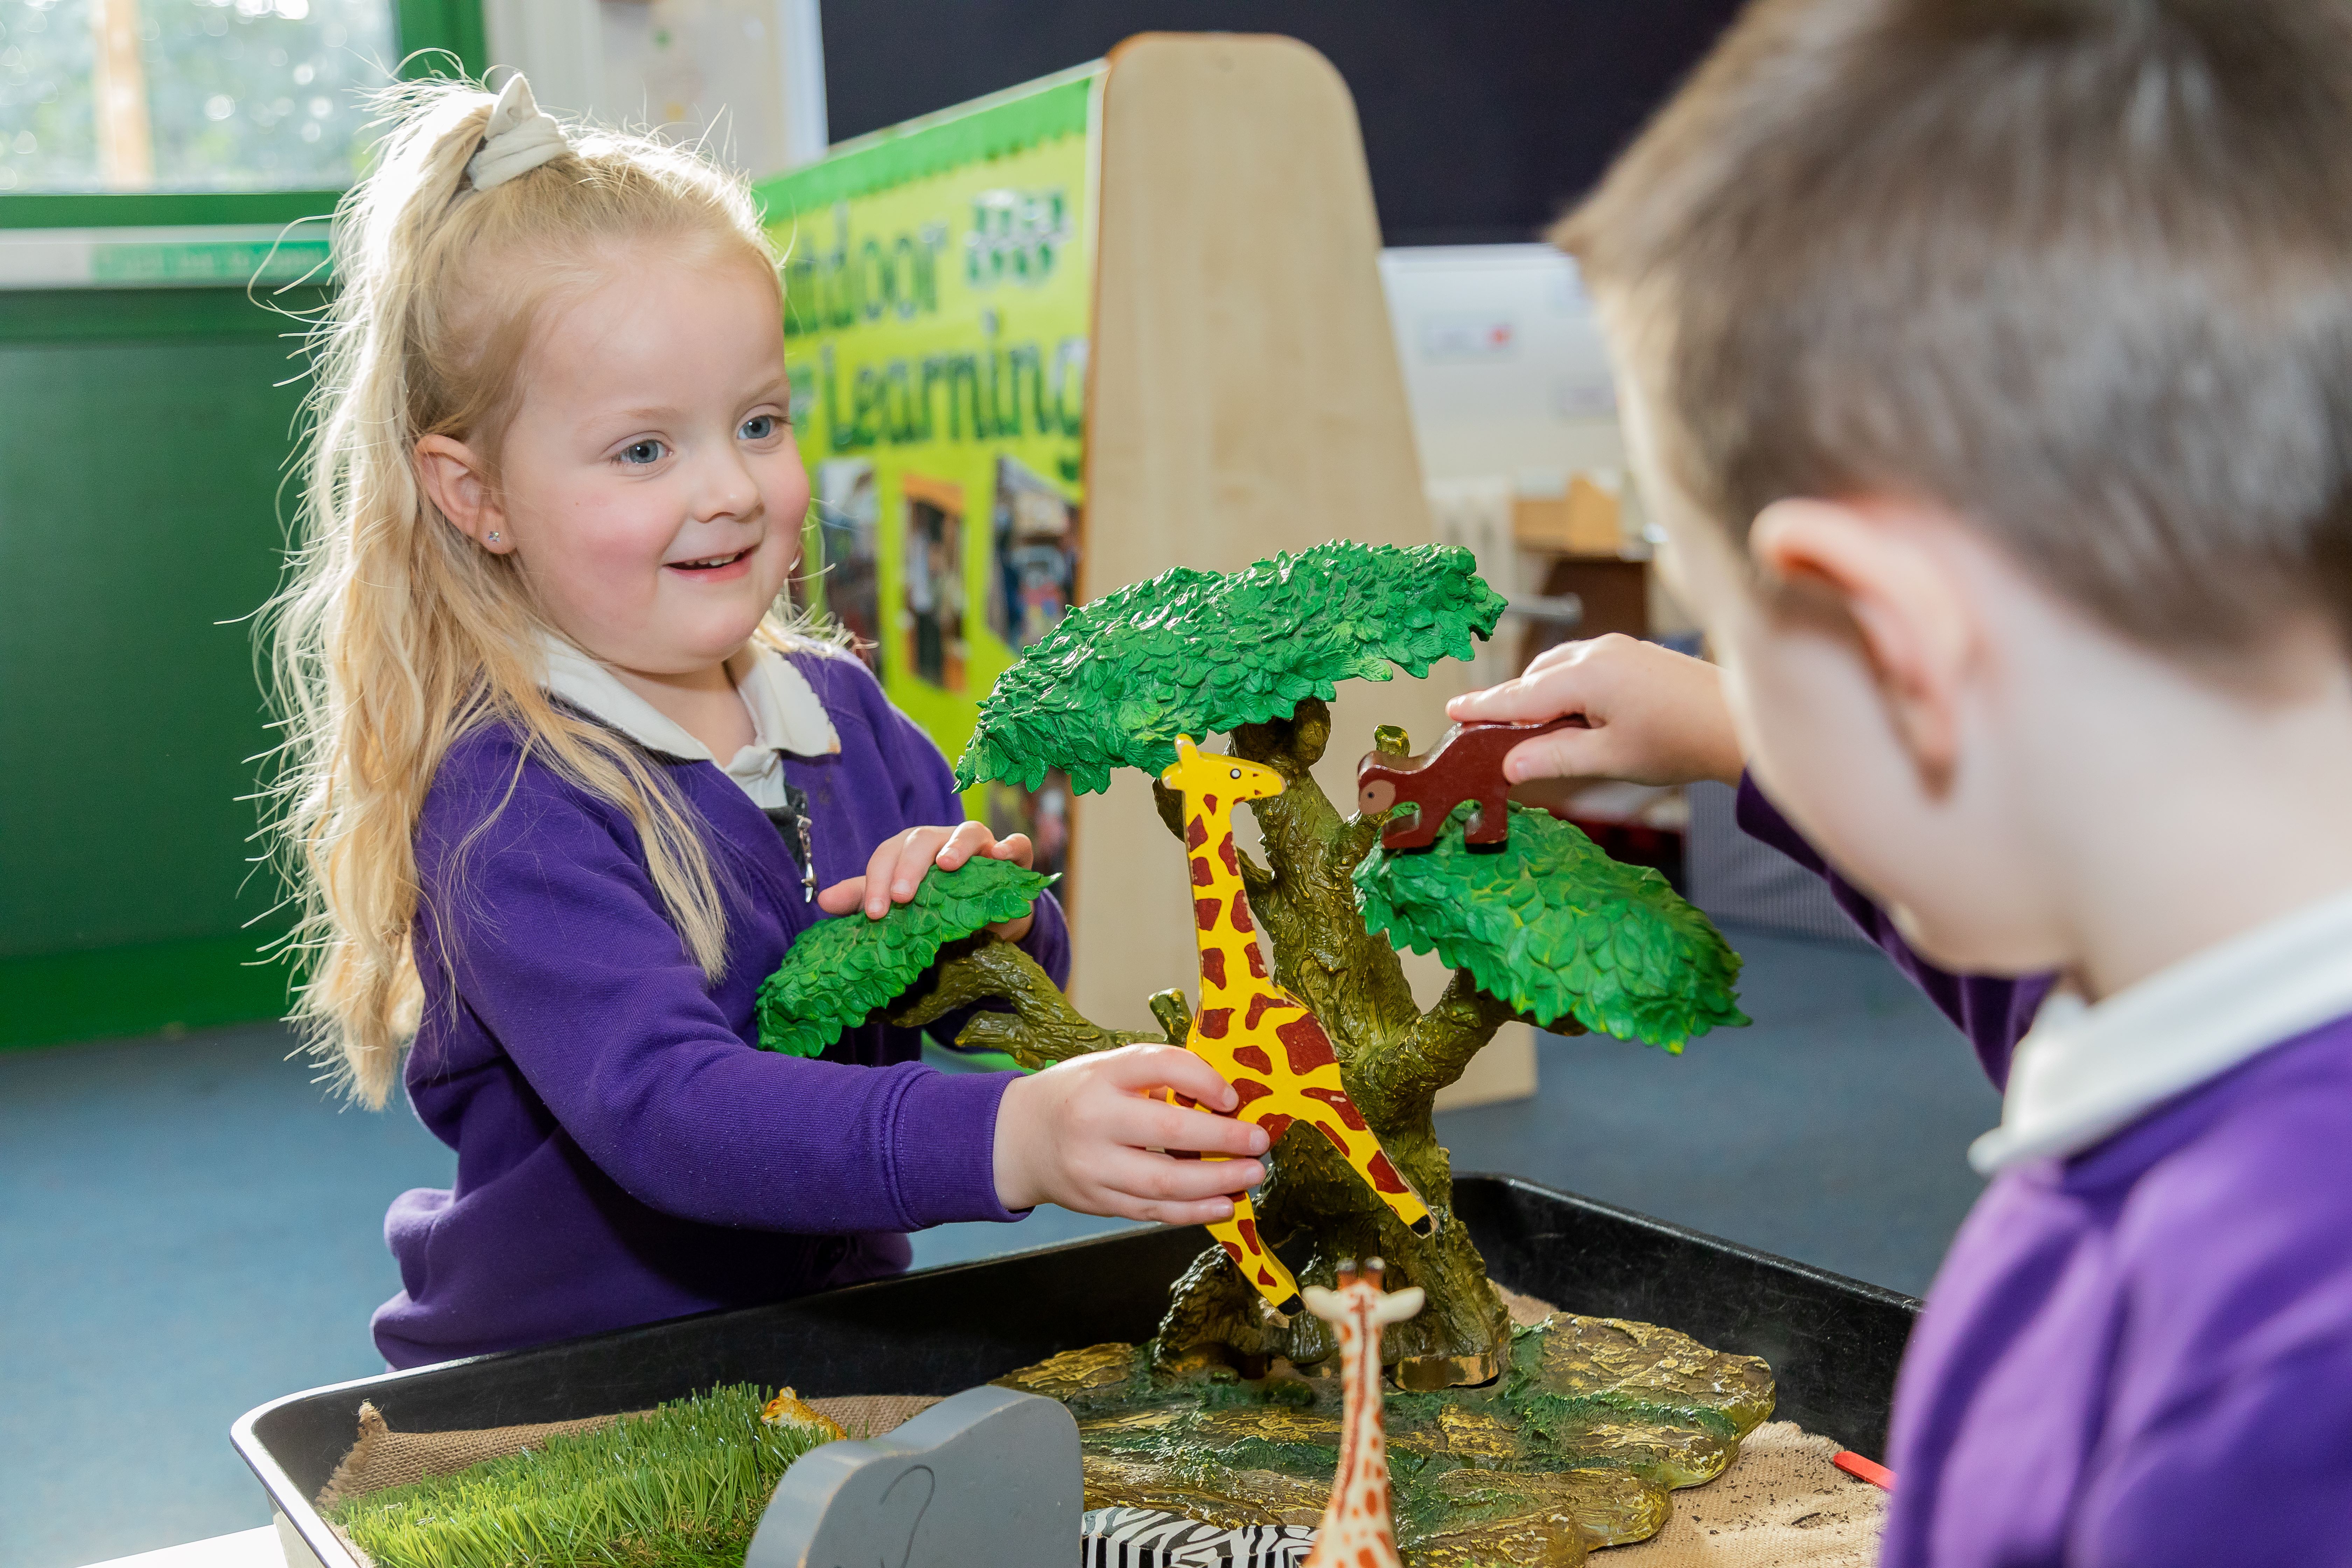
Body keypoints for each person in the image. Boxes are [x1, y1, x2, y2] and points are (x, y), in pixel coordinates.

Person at [1452, 1, 2352, 1560]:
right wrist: (1747, 720)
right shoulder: (2201, 980)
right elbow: (2051, 976)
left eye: (1715, 604)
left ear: (1896, 645)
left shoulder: (2256, 1390)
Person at [263, 76, 1267, 1369]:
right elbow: (670, 1110)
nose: (732, 490)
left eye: (758, 423)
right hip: (575, 1379)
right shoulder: (508, 795)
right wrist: (1007, 1141)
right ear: (477, 494)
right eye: (643, 451)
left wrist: (998, 923)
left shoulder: (842, 713)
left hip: (830, 1331)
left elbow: (998, 1002)